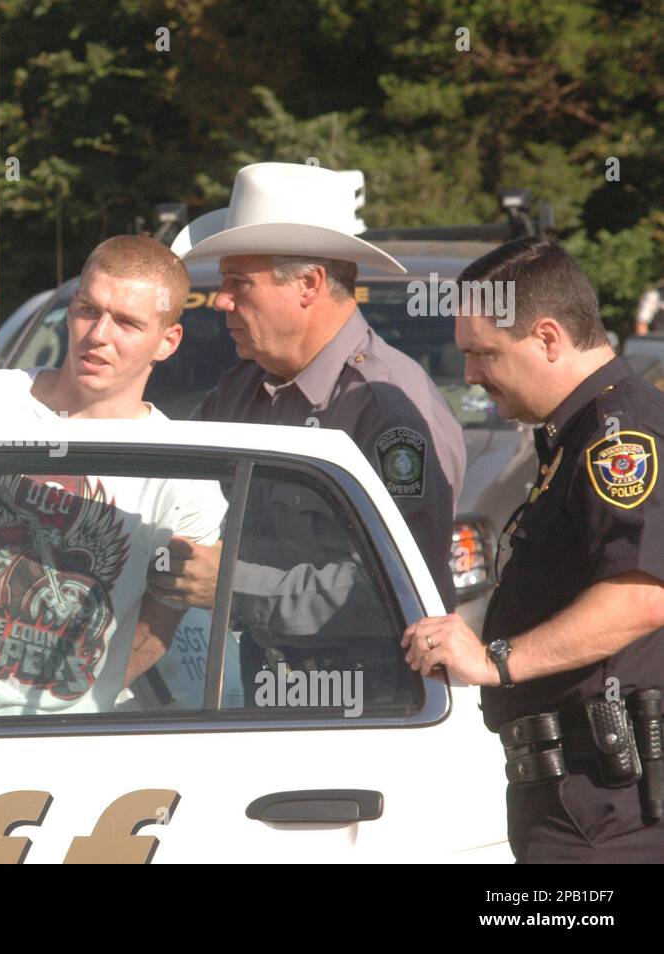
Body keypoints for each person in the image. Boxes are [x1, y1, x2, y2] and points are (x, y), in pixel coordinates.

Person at [403, 237, 664, 862]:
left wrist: (497, 661)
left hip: (604, 806)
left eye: (483, 354)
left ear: (548, 338)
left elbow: (641, 596)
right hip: (578, 793)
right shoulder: (577, 432)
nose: (469, 375)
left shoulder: (619, 436)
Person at [0, 236, 228, 718]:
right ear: (71, 309)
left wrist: (81, 705)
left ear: (167, 341)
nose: (99, 335)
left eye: (129, 323)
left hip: (61, 748)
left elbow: (161, 623)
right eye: (89, 310)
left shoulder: (183, 471)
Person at [148, 162, 465, 651]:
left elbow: (399, 586)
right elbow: (167, 481)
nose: (221, 302)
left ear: (309, 284)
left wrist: (231, 587)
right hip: (275, 693)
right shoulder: (241, 390)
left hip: (372, 707)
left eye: (239, 283)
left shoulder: (388, 409)